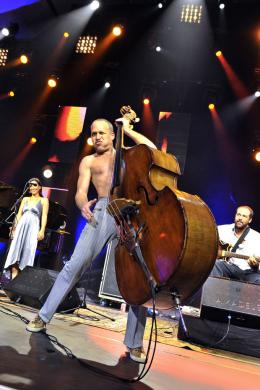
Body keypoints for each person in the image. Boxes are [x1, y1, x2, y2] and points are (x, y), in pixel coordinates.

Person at [26, 116, 157, 364]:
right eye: (93, 133)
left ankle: (135, 343)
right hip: (102, 210)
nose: (97, 137)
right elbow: (80, 192)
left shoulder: (126, 154)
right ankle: (42, 317)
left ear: (111, 135)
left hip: (129, 211)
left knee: (138, 278)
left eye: (101, 133)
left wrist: (127, 130)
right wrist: (82, 204)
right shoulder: (89, 161)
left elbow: (151, 150)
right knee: (74, 265)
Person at [4, 178, 49, 280]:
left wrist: (42, 230)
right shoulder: (25, 199)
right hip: (21, 226)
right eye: (30, 185)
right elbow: (19, 214)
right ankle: (13, 281)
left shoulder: (44, 200)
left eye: (34, 185)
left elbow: (44, 216)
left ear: (40, 187)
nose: (32, 187)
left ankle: (20, 283)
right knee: (16, 251)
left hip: (33, 227)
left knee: (27, 251)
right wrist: (14, 227)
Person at [211, 205, 260, 283]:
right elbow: (208, 236)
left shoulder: (257, 237)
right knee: (215, 264)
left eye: (244, 216)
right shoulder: (222, 229)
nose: (240, 218)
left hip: (247, 272)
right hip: (228, 267)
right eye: (238, 214)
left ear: (250, 220)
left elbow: (257, 265)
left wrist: (255, 265)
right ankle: (213, 293)